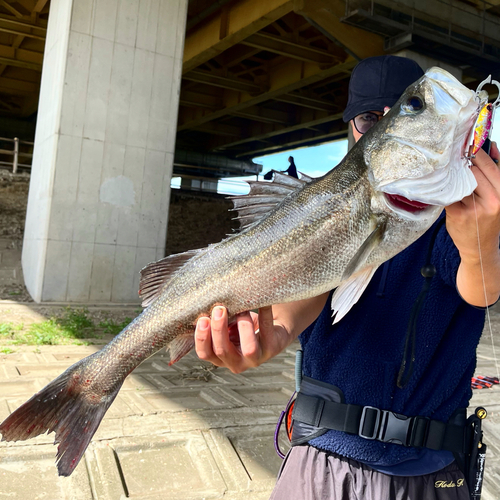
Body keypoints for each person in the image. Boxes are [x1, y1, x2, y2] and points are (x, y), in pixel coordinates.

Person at [194, 55, 500, 499]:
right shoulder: (319, 205)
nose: (380, 127)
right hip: (321, 459)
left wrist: (480, 244)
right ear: (349, 128)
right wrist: (278, 327)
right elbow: (314, 283)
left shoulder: (462, 205)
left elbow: (481, 288)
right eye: (366, 118)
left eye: (398, 112)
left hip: (432, 469)